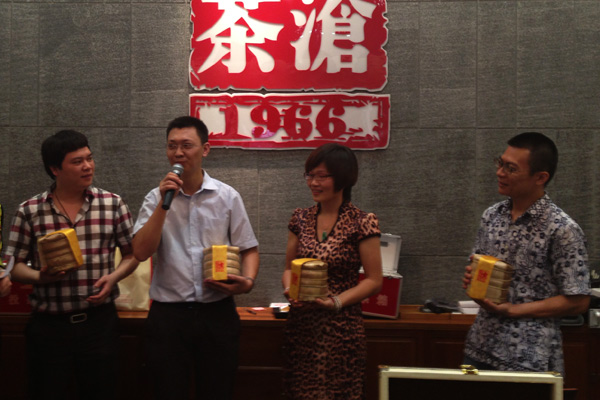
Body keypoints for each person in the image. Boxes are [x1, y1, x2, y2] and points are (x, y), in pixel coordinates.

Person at [4, 129, 138, 400]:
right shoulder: (30, 210)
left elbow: (133, 254)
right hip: (49, 327)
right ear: (55, 169)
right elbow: (13, 266)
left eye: (89, 158)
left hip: (99, 324)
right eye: (77, 161)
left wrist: (113, 278)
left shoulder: (112, 204)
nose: (88, 166)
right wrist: (40, 277)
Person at [132, 116, 259, 400]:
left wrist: (248, 281)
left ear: (205, 149)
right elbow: (140, 252)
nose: (178, 153)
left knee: (217, 390)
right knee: (167, 391)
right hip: (168, 317)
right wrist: (164, 204)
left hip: (217, 313)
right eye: (172, 146)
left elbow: (248, 248)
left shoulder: (227, 197)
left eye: (186, 145)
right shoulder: (155, 198)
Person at [461, 132, 591, 376]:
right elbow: (480, 272)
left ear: (540, 177)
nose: (500, 173)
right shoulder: (491, 216)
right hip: (480, 347)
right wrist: (474, 283)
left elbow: (579, 300)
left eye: (511, 169)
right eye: (500, 163)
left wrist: (512, 310)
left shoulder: (562, 228)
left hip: (529, 358)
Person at [281, 143, 383, 400]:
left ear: (343, 178)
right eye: (310, 175)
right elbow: (289, 268)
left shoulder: (362, 221)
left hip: (341, 330)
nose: (313, 183)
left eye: (322, 176)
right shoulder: (300, 218)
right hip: (302, 328)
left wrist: (335, 301)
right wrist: (290, 290)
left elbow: (374, 280)